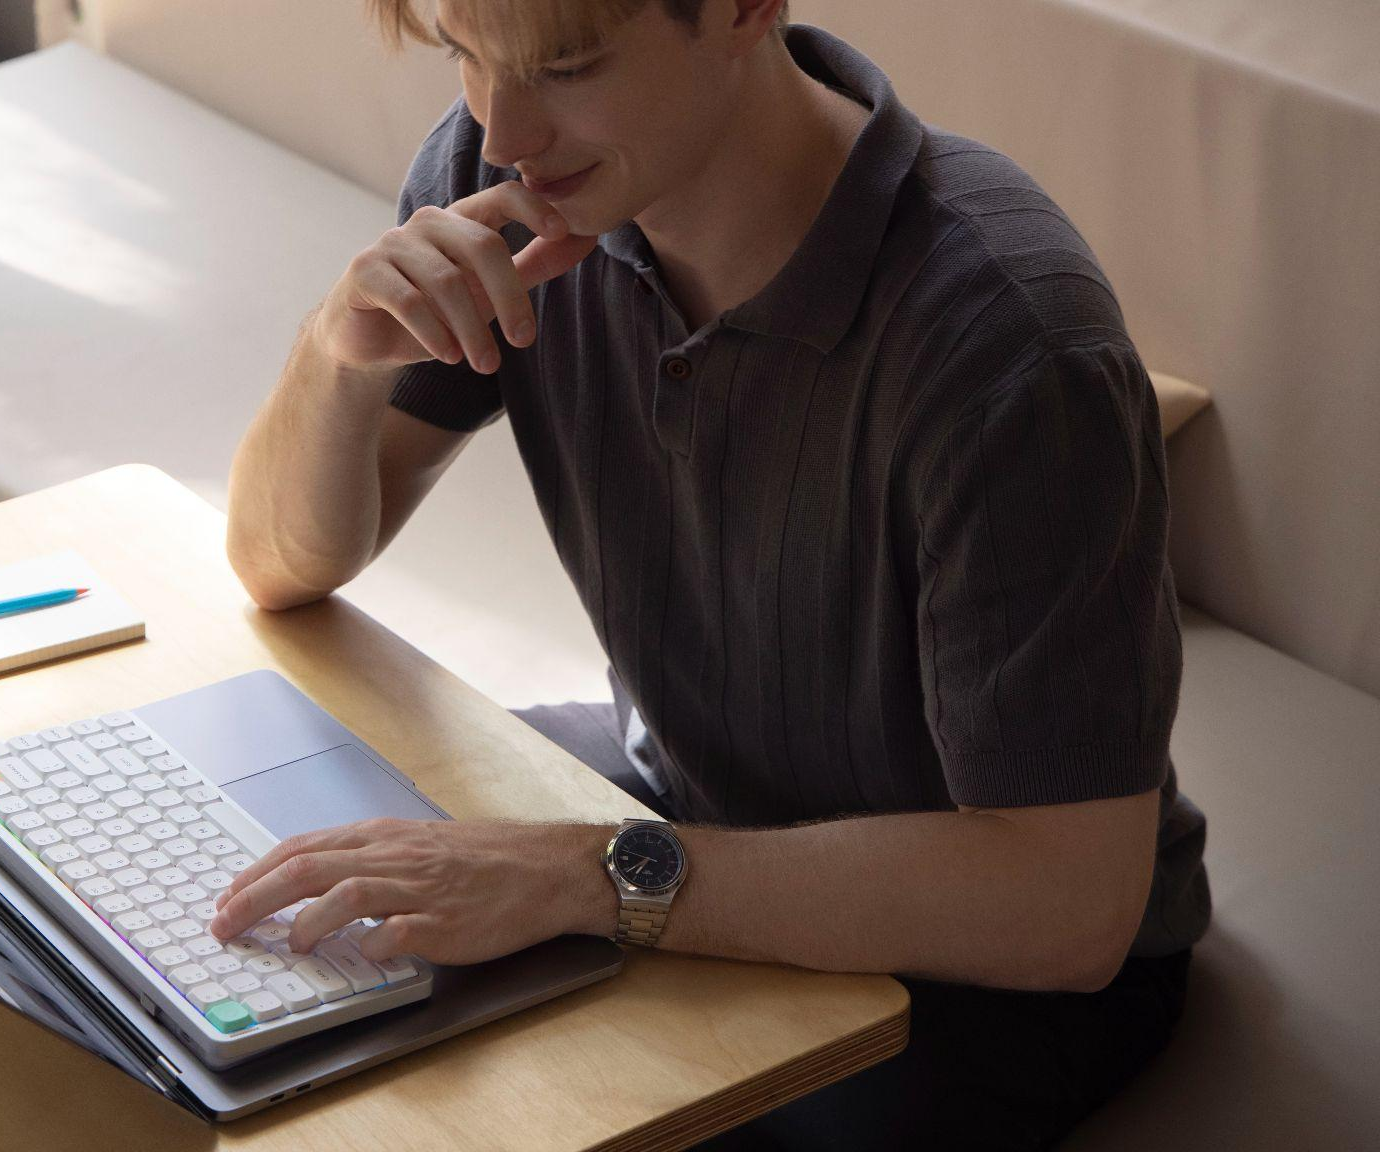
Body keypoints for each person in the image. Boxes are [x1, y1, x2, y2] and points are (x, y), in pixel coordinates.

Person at [215, 1, 1209, 1146]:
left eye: (566, 66)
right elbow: (274, 564)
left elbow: (1066, 904)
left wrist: (589, 876)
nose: (500, 132)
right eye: (463, 53)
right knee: (262, 887)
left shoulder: (1009, 347)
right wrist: (337, 350)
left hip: (977, 965)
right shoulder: (515, 184)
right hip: (675, 792)